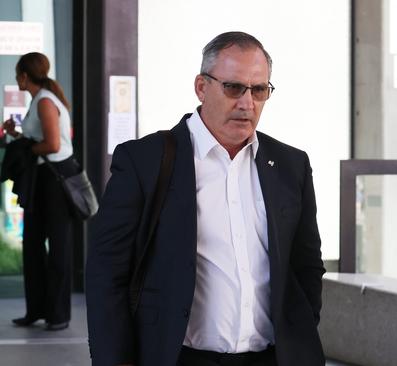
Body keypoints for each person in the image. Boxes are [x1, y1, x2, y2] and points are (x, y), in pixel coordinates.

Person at [86, 31, 326, 366]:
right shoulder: (145, 161)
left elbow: (306, 266)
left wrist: (299, 334)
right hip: (180, 357)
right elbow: (107, 272)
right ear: (202, 87)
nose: (247, 103)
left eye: (259, 90)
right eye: (233, 88)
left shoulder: (290, 165)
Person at [2, 52, 76, 331]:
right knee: (32, 245)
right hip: (43, 180)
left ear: (24, 75)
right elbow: (42, 140)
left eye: (17, 74)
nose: (15, 79)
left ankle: (58, 315)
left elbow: (53, 145)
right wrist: (17, 136)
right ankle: (36, 310)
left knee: (58, 249)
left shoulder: (45, 100)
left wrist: (22, 149)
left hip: (55, 181)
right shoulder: (40, 99)